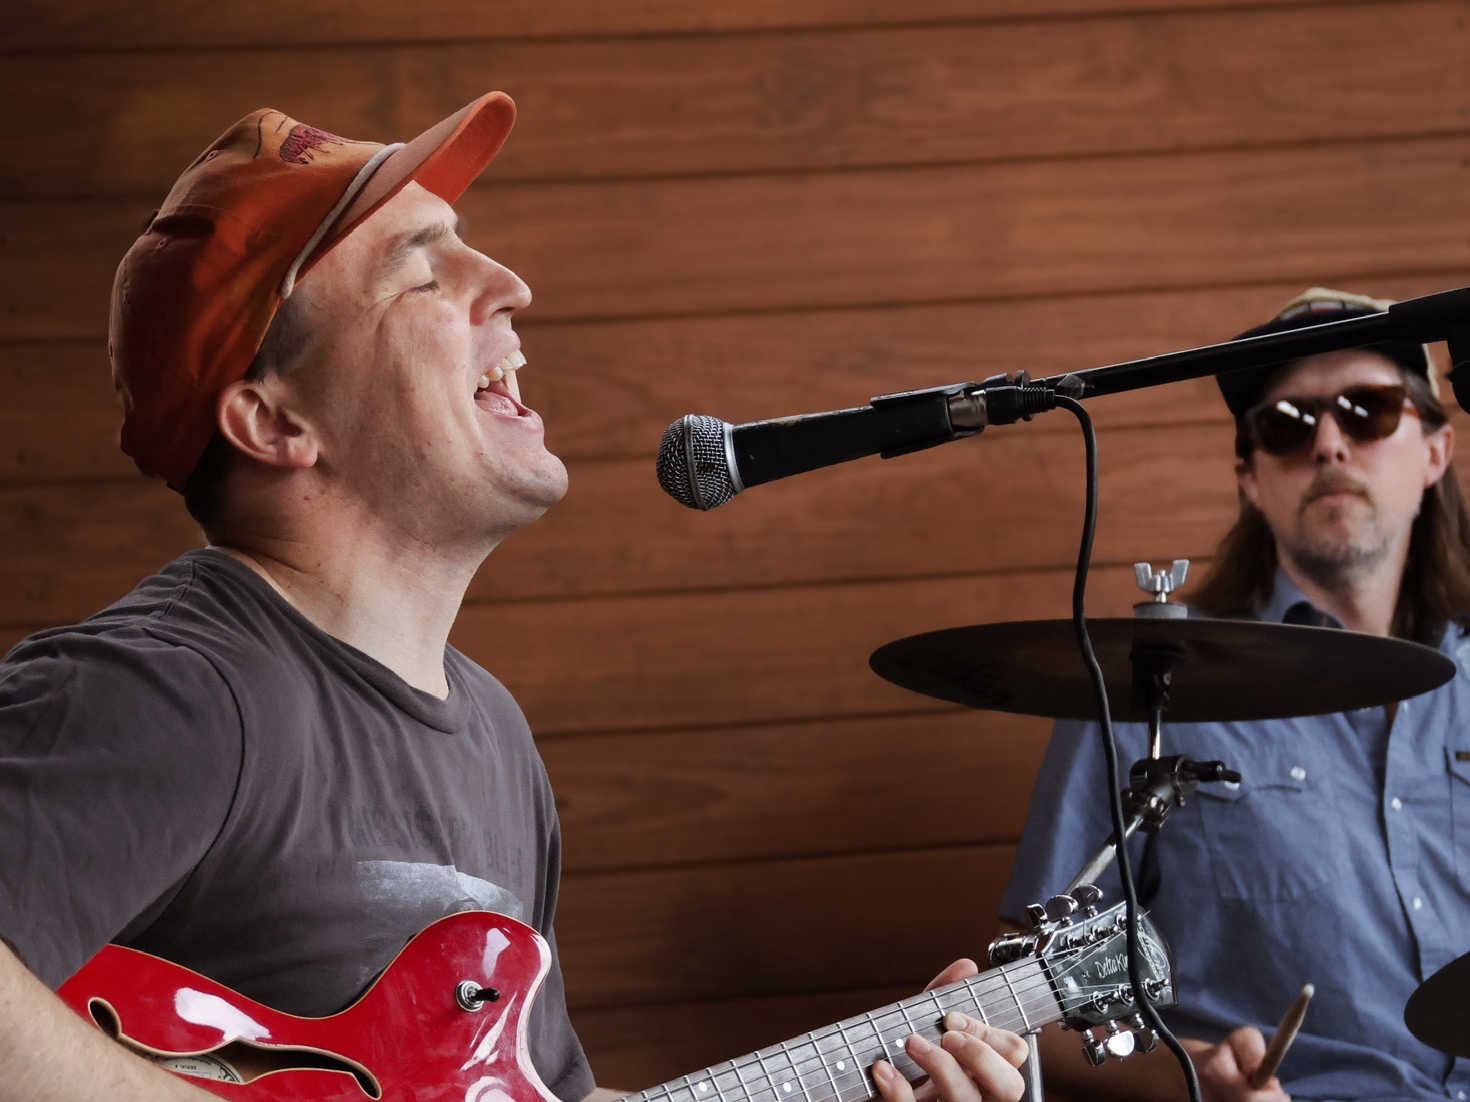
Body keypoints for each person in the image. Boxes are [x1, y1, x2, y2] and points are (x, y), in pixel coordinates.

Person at [0, 98, 1028, 1101]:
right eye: (420, 273)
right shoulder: (168, 690)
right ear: (274, 423)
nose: (511, 285)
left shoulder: (491, 729)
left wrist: (874, 1076)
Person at [998, 287, 1470, 1101]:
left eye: (1368, 412)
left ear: (1436, 451)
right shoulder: (1148, 686)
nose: (1328, 443)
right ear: (1249, 475)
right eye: (1287, 424)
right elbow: (1022, 1015)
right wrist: (1190, 1079)